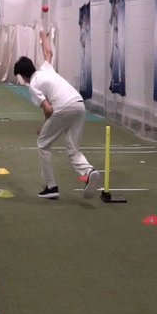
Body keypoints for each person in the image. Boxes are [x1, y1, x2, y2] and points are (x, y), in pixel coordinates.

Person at [13, 29, 121, 203]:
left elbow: (48, 110)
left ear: (23, 75)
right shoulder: (45, 69)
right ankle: (89, 172)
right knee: (72, 148)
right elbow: (48, 52)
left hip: (62, 108)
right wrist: (43, 37)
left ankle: (51, 187)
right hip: (78, 104)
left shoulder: (33, 84)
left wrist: (45, 127)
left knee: (43, 144)